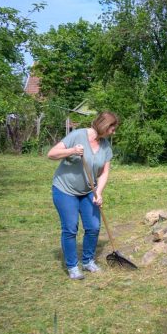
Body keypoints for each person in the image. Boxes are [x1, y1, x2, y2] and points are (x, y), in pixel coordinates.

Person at [48, 111, 119, 279]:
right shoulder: (78, 135)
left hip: (89, 190)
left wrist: (99, 193)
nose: (114, 132)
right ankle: (72, 266)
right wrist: (72, 150)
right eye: (112, 128)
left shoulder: (105, 146)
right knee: (70, 228)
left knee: (94, 226)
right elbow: (51, 154)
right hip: (65, 190)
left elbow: (104, 172)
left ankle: (87, 261)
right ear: (104, 126)